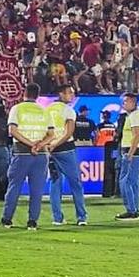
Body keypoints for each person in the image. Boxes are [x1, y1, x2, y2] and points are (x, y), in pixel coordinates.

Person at [0, 83, 55, 231]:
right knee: (36, 190)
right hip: (41, 154)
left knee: (14, 187)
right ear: (37, 95)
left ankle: (7, 219)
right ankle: (32, 221)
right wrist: (39, 144)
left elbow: (12, 130)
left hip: (22, 153)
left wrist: (30, 144)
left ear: (24, 93)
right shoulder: (44, 111)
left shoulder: (17, 109)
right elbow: (51, 135)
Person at [47, 84, 88, 227]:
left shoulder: (47, 109)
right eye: (70, 93)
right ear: (61, 94)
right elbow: (68, 133)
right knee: (75, 183)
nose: (72, 95)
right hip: (65, 149)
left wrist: (50, 145)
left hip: (51, 150)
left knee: (55, 183)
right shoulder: (69, 111)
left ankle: (57, 218)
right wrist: (56, 144)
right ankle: (81, 217)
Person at [116, 92, 139, 221]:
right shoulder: (135, 116)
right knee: (133, 182)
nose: (123, 104)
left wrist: (130, 153)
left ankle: (131, 210)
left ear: (133, 102)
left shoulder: (134, 117)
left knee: (126, 182)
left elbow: (136, 136)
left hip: (132, 152)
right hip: (137, 152)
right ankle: (134, 209)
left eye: (125, 101)